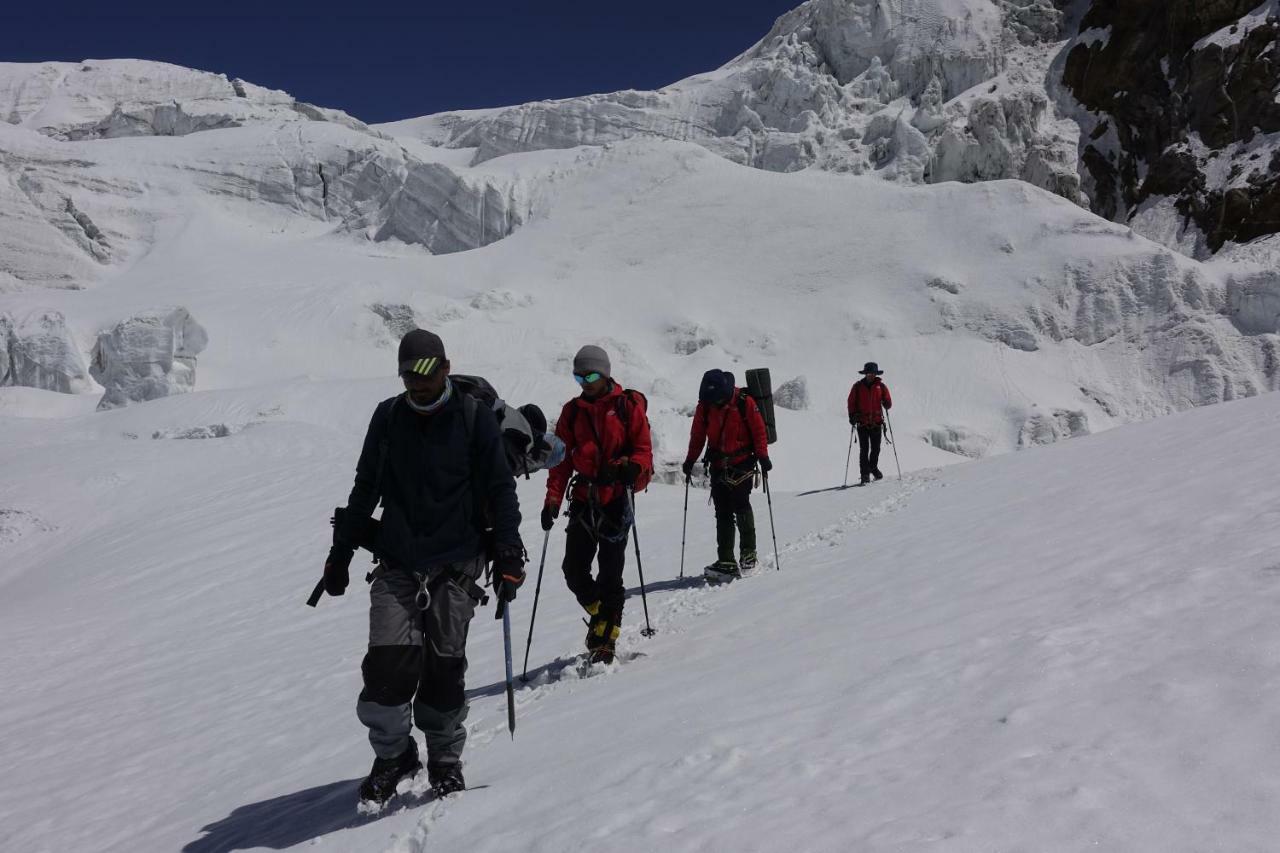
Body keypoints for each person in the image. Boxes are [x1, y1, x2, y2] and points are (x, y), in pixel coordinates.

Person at [324, 329, 526, 805]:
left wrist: (509, 553)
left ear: (445, 367)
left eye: (426, 375)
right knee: (386, 671)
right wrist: (341, 552)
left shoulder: (473, 418)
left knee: (443, 671)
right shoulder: (389, 417)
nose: (417, 385)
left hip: (456, 563)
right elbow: (366, 486)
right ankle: (394, 756)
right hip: (397, 561)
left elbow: (500, 489)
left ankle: (444, 759)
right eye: (408, 376)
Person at [541, 345, 653, 664]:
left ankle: (606, 637)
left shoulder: (627, 406)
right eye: (578, 375)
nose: (584, 382)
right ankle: (601, 615)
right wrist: (552, 499)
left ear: (604, 374)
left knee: (610, 574)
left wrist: (628, 467)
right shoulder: (572, 412)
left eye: (590, 375)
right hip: (583, 500)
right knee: (574, 570)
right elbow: (560, 462)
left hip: (616, 500)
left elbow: (643, 451)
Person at [682, 369, 772, 580]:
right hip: (718, 465)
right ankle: (726, 561)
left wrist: (763, 456)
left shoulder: (744, 402)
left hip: (742, 463)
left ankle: (748, 555)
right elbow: (697, 436)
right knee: (723, 511)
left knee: (740, 506)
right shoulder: (704, 406)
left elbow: (759, 431)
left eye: (717, 400)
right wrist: (689, 459)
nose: (714, 404)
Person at [847, 361, 892, 485]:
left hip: (877, 423)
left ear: (876, 374)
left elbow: (888, 401)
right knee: (864, 449)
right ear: (865, 373)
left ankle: (873, 467)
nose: (870, 375)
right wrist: (852, 416)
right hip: (862, 423)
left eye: (872, 373)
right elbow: (851, 402)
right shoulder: (857, 387)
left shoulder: (881, 387)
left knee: (876, 449)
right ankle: (864, 474)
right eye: (868, 373)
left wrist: (887, 403)